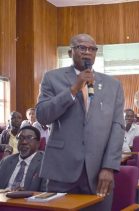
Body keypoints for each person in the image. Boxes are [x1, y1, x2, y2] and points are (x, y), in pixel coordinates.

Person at [36, 34, 125, 210]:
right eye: (82, 48)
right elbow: (43, 116)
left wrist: (109, 167)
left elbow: (117, 127)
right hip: (61, 170)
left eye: (92, 49)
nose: (87, 52)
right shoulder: (52, 78)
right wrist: (74, 89)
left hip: (98, 172)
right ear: (70, 52)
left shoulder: (113, 85)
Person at [0, 126, 45, 191]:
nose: (24, 142)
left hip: (30, 200)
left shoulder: (45, 163)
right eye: (20, 138)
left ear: (38, 143)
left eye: (29, 138)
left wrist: (25, 194)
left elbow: (47, 193)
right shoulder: (5, 161)